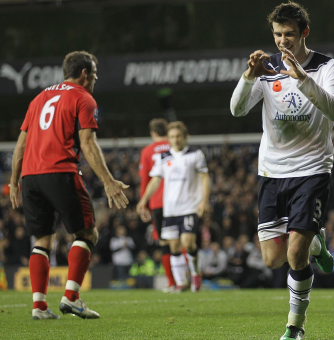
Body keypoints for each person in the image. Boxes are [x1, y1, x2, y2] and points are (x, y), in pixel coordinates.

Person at [230, 2, 334, 338]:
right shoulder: (266, 70)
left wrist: (302, 78)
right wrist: (249, 76)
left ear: (304, 32)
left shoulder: (327, 66)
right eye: (278, 34)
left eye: (289, 34)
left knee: (294, 254)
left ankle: (295, 326)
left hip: (312, 169)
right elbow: (237, 110)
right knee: (272, 260)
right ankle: (317, 244)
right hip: (272, 172)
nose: (283, 41)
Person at [9, 51, 130, 320]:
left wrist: (14, 180)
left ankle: (39, 306)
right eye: (95, 75)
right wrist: (108, 182)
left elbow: (21, 144)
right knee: (87, 234)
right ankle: (72, 297)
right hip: (60, 172)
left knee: (42, 241)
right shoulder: (83, 97)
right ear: (84, 74)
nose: (95, 80)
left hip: (30, 177)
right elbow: (87, 143)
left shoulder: (39, 98)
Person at [137, 121, 210, 293]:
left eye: (178, 136)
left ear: (185, 137)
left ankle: (195, 274)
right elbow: (155, 180)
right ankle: (181, 283)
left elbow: (204, 178)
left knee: (188, 242)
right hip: (170, 209)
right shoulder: (163, 157)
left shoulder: (195, 154)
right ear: (168, 138)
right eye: (172, 137)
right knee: (174, 247)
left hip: (189, 207)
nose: (175, 140)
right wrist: (143, 200)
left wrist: (204, 201)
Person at [138, 118, 176, 292]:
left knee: (164, 242)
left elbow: (145, 178)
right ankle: (187, 280)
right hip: (177, 199)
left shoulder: (147, 151)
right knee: (182, 240)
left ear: (153, 133)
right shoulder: (175, 145)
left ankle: (172, 282)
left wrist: (143, 203)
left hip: (157, 202)